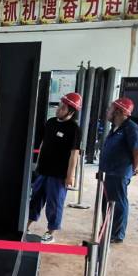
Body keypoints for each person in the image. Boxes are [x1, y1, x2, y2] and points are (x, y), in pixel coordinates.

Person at [28, 92, 83, 244]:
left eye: (63, 108)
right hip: (43, 170)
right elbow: (42, 144)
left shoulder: (74, 129)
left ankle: (51, 232)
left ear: (71, 111)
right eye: (59, 106)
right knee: (35, 199)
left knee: (54, 204)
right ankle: (27, 225)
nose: (59, 109)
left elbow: (74, 154)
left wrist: (70, 175)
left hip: (59, 175)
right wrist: (37, 164)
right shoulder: (50, 122)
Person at [98, 97, 138, 244]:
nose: (108, 111)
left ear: (118, 111)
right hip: (108, 172)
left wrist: (132, 170)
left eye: (110, 109)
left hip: (119, 173)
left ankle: (116, 234)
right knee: (107, 203)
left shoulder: (131, 128)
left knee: (117, 204)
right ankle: (107, 229)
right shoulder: (116, 127)